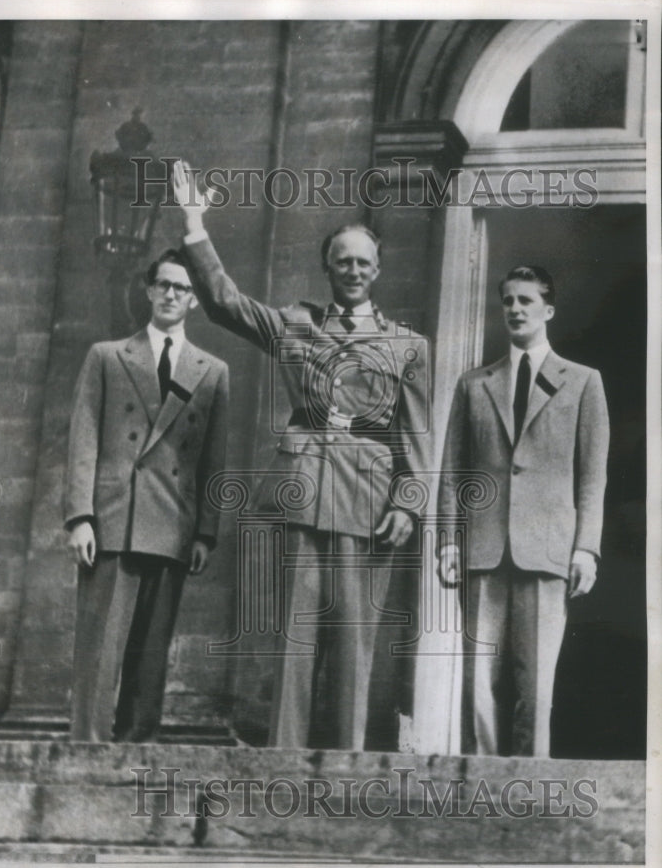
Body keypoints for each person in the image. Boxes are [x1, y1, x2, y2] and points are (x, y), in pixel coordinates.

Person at [172, 160, 430, 751]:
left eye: (363, 262)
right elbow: (225, 303)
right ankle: (284, 759)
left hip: (370, 500)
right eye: (343, 261)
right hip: (306, 489)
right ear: (327, 267)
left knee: (354, 640)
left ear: (378, 270)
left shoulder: (407, 345)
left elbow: (418, 435)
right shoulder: (295, 324)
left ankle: (346, 763)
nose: (353, 271)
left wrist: (409, 504)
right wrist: (193, 222)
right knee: (296, 636)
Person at [437, 265, 609, 757]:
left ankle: (530, 785)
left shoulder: (583, 382)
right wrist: (448, 543)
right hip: (483, 550)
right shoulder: (474, 384)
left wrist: (586, 549)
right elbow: (452, 474)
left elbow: (592, 477)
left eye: (526, 300)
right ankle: (481, 782)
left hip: (547, 551)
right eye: (508, 300)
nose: (515, 309)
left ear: (548, 310)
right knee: (478, 682)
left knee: (536, 687)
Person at [64, 248, 228, 742]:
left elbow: (213, 461)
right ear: (150, 290)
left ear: (194, 299)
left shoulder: (212, 370)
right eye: (164, 285)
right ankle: (87, 751)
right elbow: (83, 439)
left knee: (151, 654)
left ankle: (136, 754)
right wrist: (80, 516)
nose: (172, 294)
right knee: (99, 652)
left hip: (173, 523)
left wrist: (205, 534)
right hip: (113, 518)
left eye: (183, 288)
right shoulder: (107, 356)